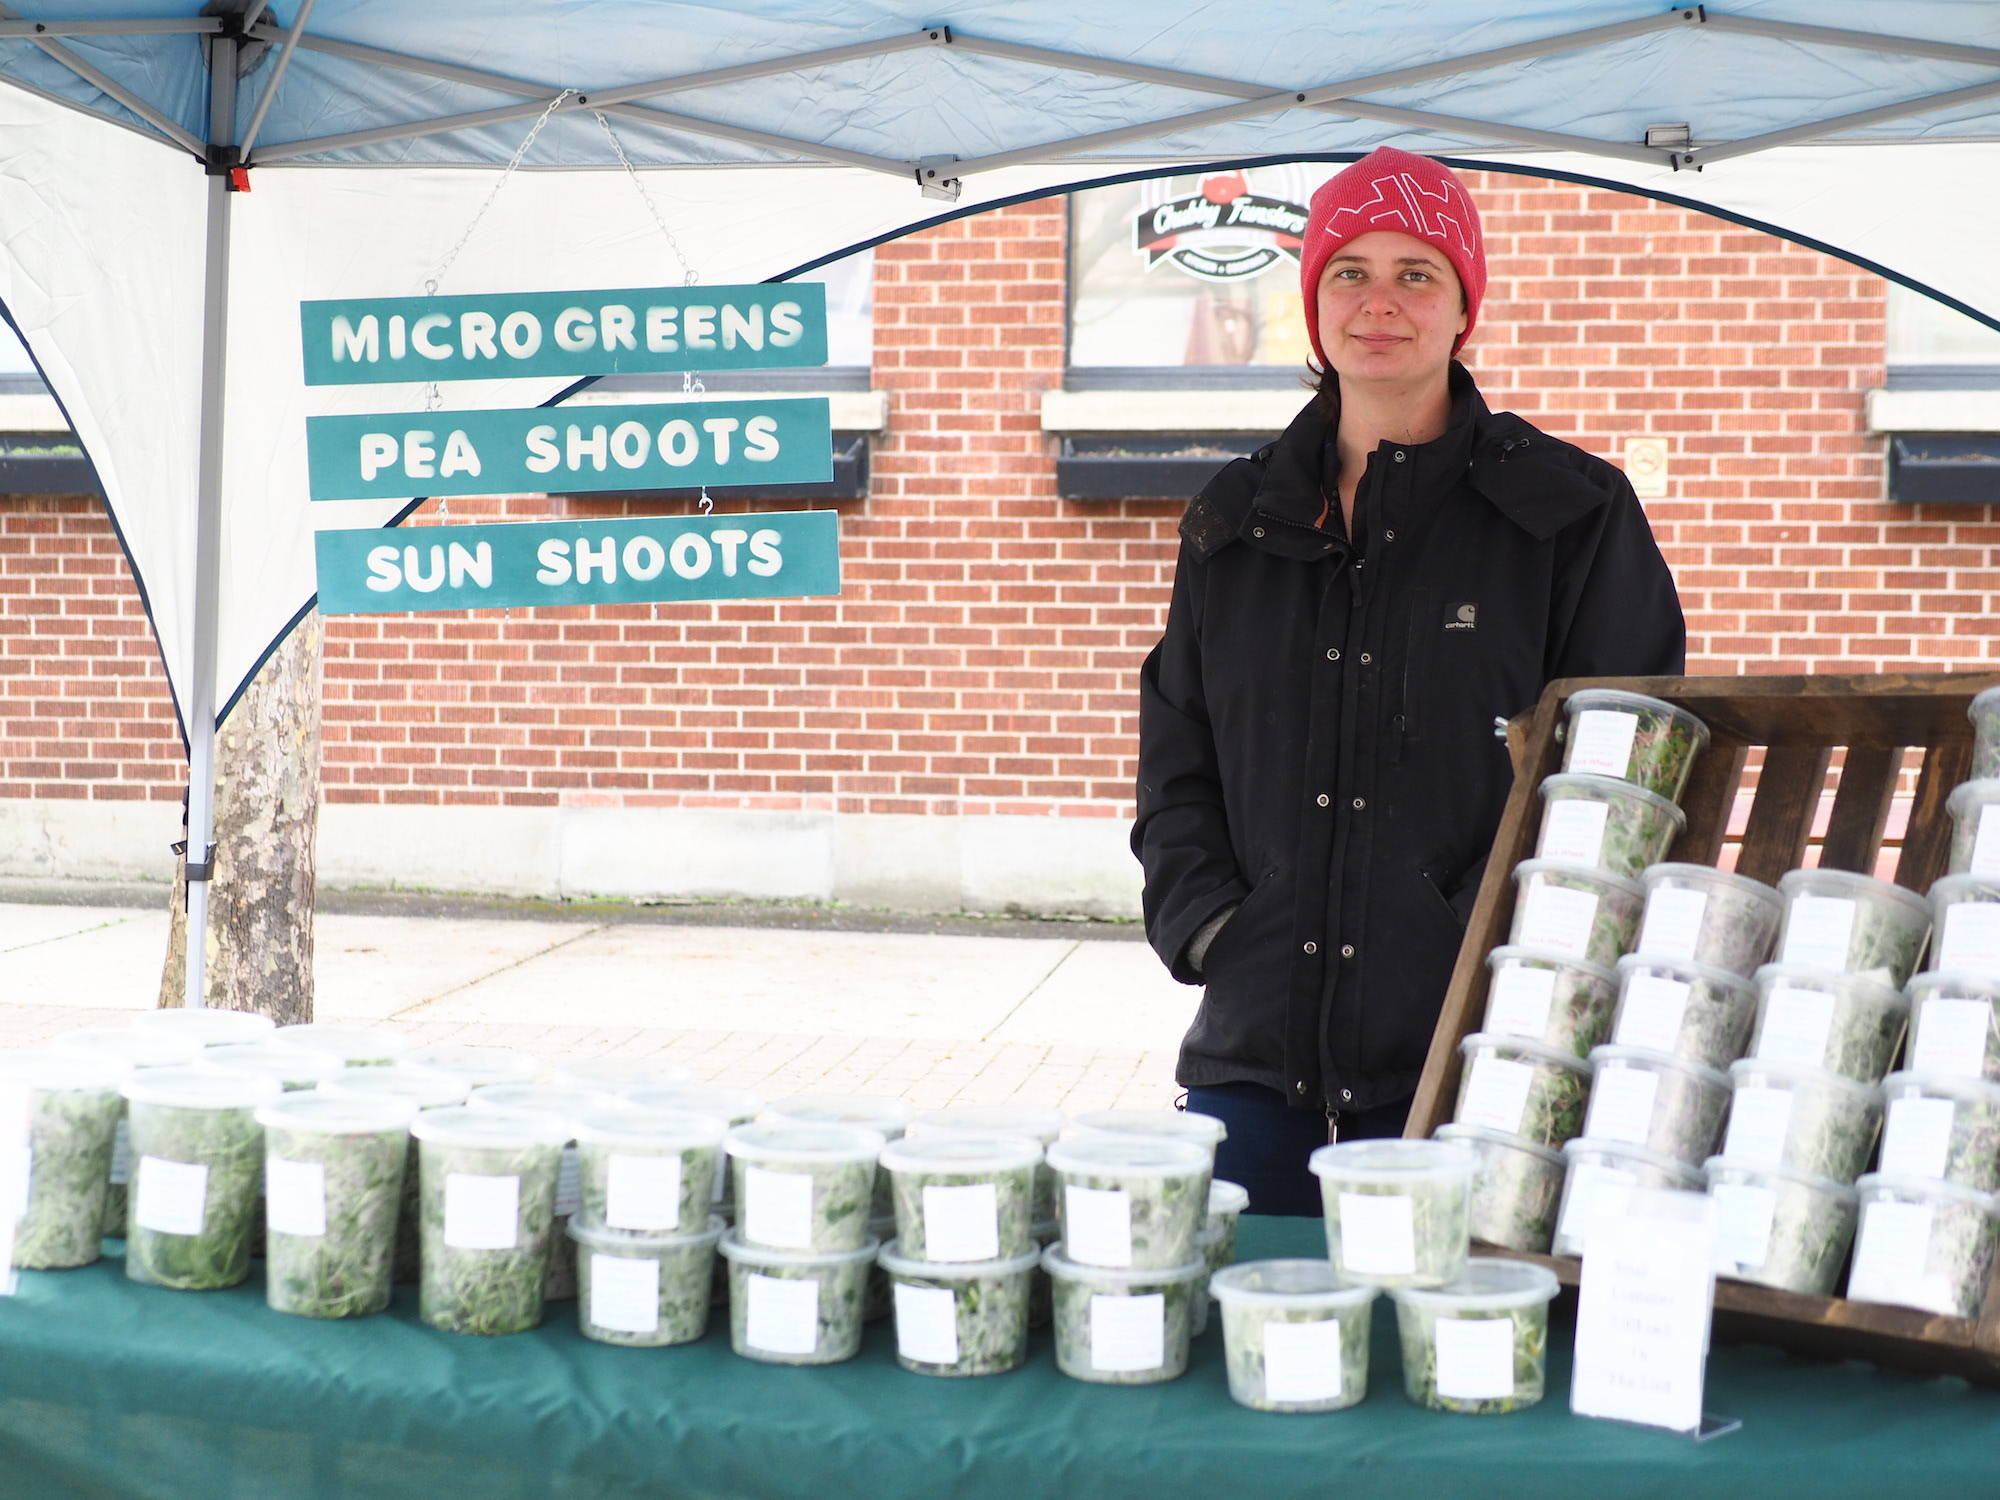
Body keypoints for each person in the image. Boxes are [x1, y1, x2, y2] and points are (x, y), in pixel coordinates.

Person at [1131, 147, 1685, 1215]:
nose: (1377, 302)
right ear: (1311, 301)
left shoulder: (1569, 514)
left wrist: (1491, 952)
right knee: (1245, 1341)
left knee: (1450, 1353)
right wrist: (1208, 926)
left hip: (1474, 1056)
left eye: (1415, 272)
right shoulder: (1234, 520)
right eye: (1348, 271)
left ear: (1462, 305)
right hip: (1252, 1057)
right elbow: (1176, 757)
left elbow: (1626, 779)